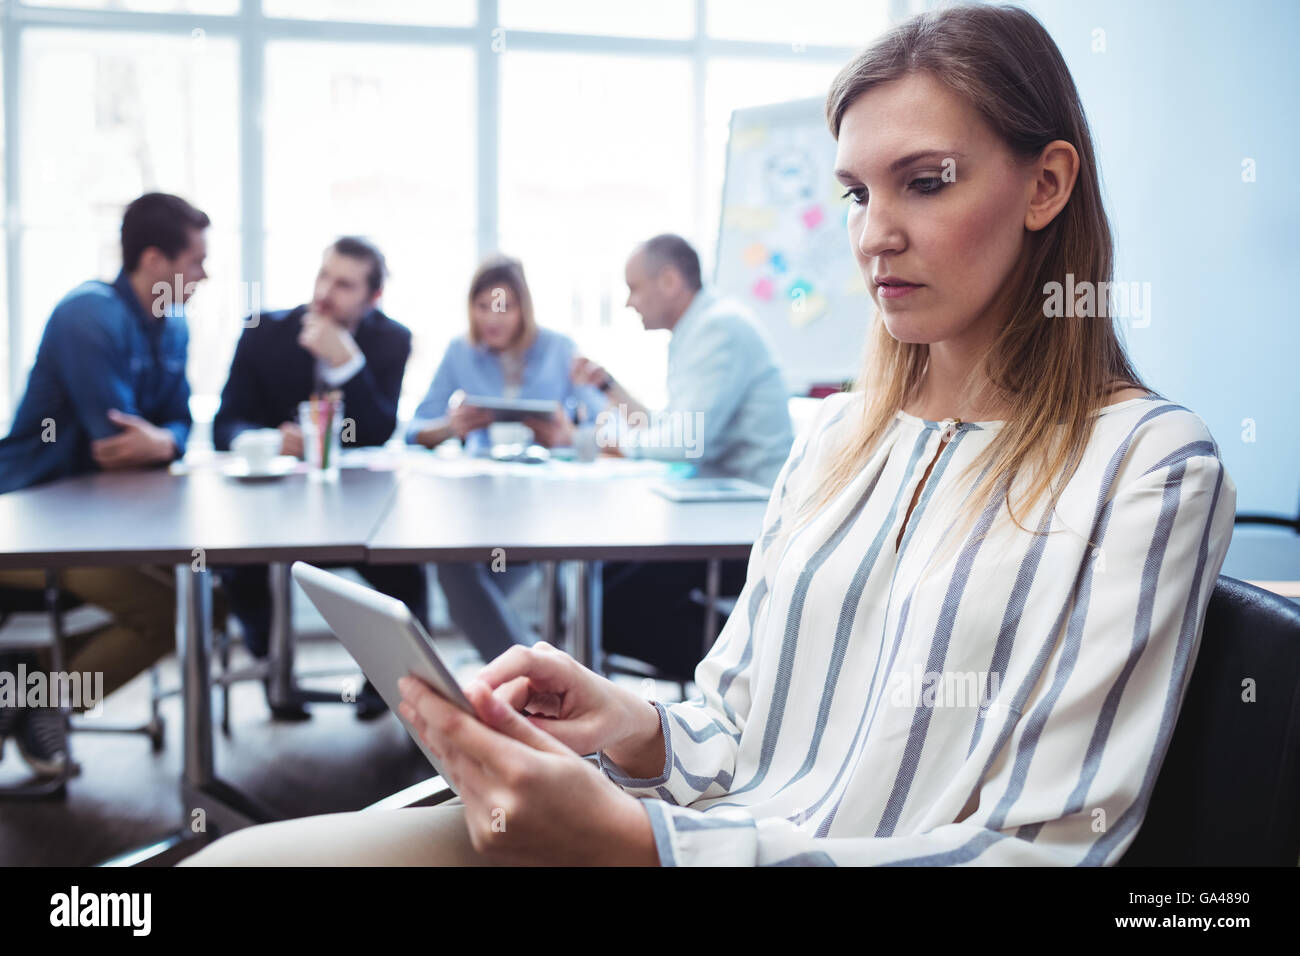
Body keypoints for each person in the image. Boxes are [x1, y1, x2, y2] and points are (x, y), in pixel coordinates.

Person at [183, 3, 1237, 866]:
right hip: (686, 837)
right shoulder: (834, 438)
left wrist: (643, 848)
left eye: (924, 182)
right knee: (238, 860)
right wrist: (632, 725)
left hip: (688, 855)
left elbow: (1039, 855)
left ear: (1046, 185)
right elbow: (733, 728)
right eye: (855, 193)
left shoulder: (1145, 466)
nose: (873, 234)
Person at [0, 192, 212, 779]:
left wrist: (166, 442)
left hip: (97, 522)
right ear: (153, 260)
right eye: (196, 261)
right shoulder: (87, 315)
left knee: (206, 607)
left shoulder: (172, 327)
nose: (205, 275)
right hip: (26, 526)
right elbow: (114, 445)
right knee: (173, 614)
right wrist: (159, 441)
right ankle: (35, 702)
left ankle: (31, 695)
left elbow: (178, 427)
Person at [212, 236, 421, 720]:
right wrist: (265, 439)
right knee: (241, 568)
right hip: (272, 506)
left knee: (404, 570)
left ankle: (388, 685)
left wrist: (346, 362)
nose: (326, 291)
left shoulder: (390, 340)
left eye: (344, 284)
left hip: (355, 510)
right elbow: (227, 424)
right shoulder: (263, 332)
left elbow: (377, 430)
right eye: (324, 275)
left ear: (372, 298)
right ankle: (274, 672)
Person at [572, 234, 795, 680]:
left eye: (635, 288)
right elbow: (671, 429)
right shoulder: (697, 330)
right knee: (604, 582)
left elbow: (686, 443)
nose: (630, 303)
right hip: (717, 511)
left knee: (609, 605)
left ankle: (753, 680)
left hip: (746, 526)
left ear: (670, 280)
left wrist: (618, 444)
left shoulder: (719, 329)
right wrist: (609, 390)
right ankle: (739, 671)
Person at [406, 255, 605, 662]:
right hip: (482, 509)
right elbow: (413, 431)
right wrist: (451, 426)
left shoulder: (560, 349)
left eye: (503, 307)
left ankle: (543, 672)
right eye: (482, 307)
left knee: (475, 598)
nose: (491, 318)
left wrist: (566, 437)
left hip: (549, 509)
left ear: (522, 309)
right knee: (456, 573)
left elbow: (604, 433)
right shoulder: (460, 352)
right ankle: (543, 675)